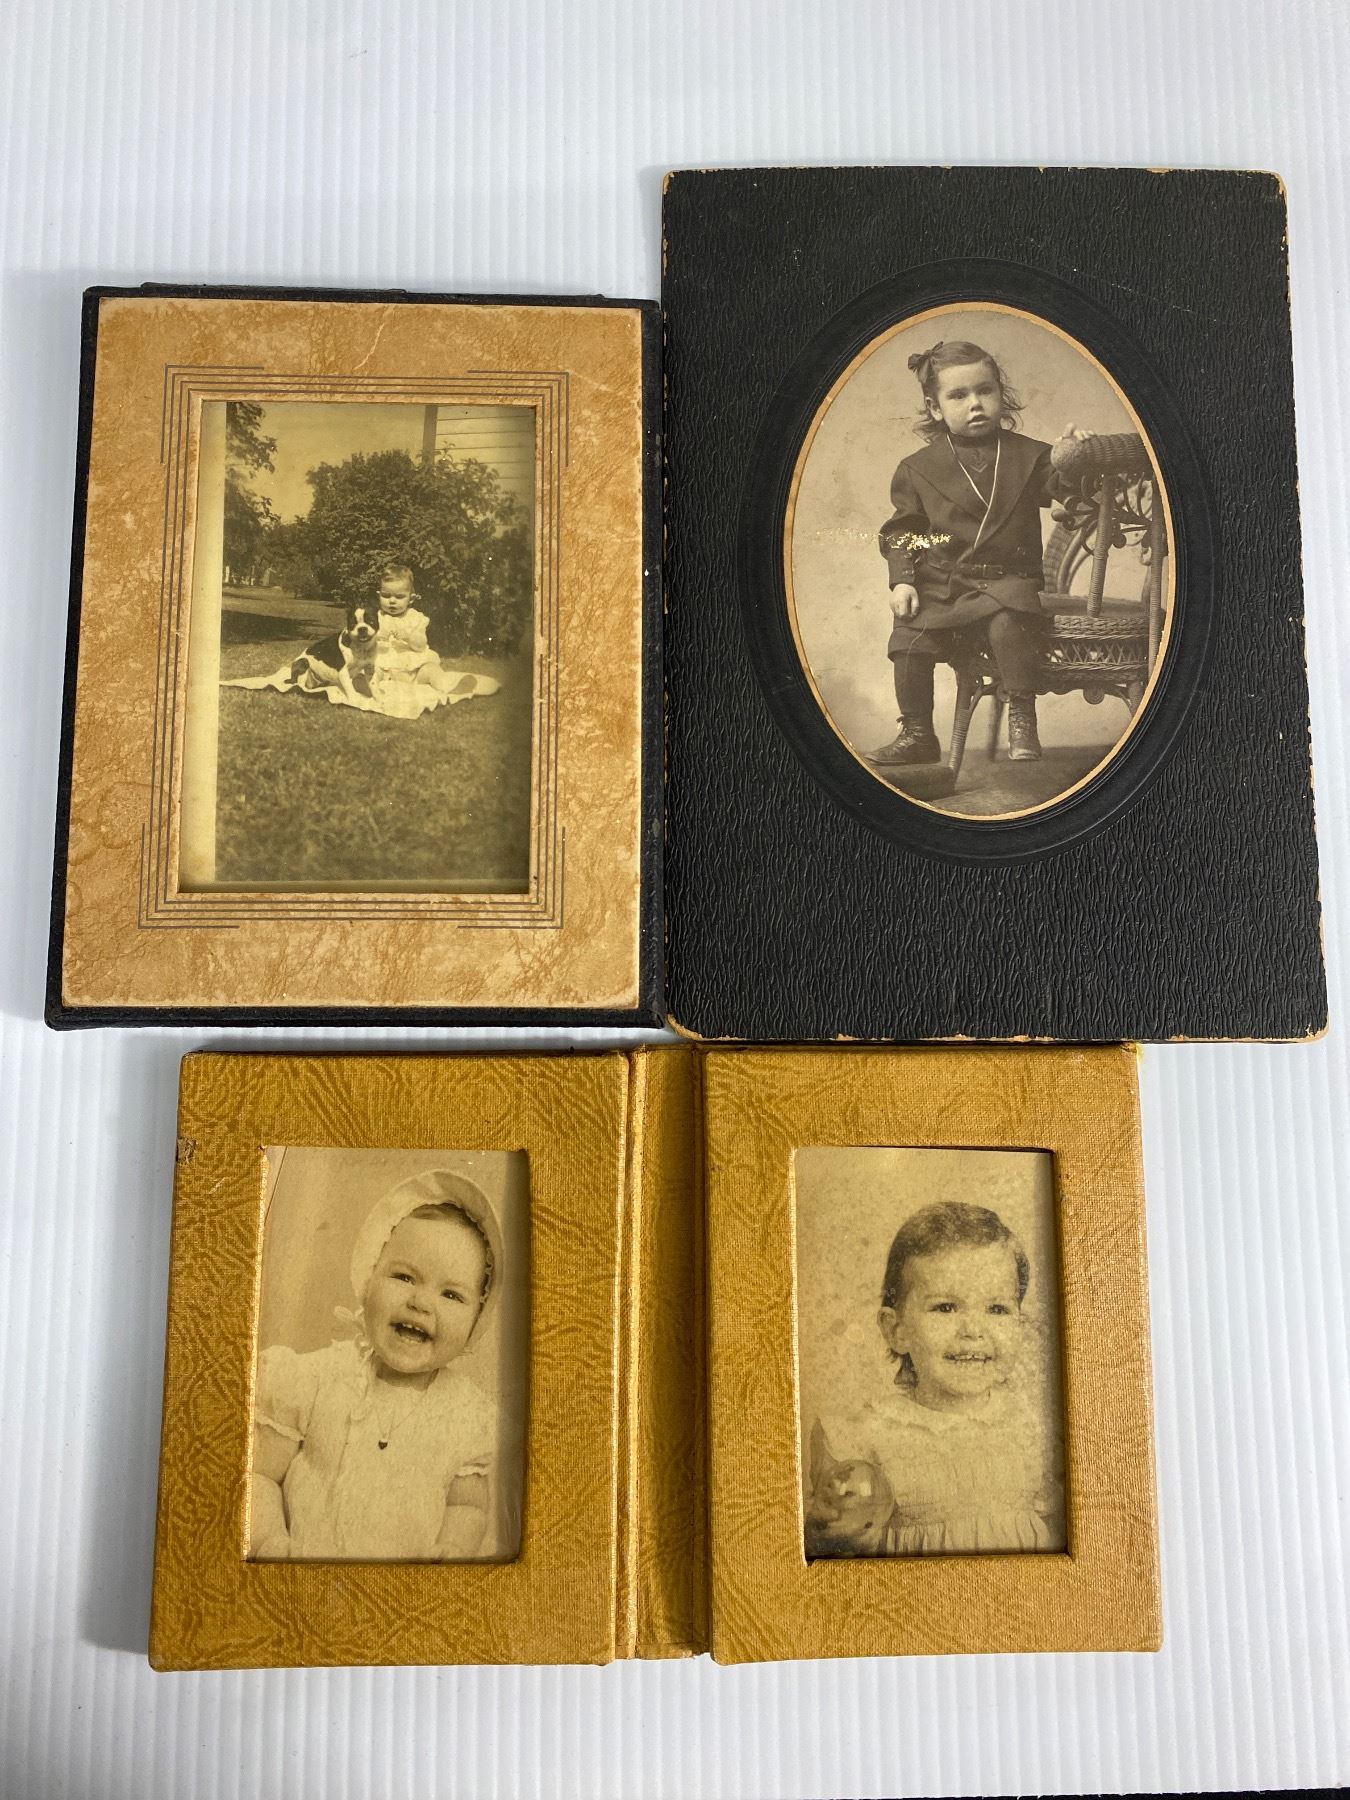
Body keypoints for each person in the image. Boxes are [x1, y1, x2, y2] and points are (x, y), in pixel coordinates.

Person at [250, 1170, 510, 1562]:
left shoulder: (466, 1416)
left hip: (402, 1590)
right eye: (405, 1277)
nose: (420, 1302)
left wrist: (454, 1549)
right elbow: (262, 1474)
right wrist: (270, 1540)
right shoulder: (317, 1378)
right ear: (369, 1278)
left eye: (451, 1295)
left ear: (478, 1319)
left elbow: (468, 1506)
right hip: (304, 1574)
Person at [804, 1200, 1063, 1558]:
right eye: (945, 1307)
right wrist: (838, 1535)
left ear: (1019, 1324)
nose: (973, 1330)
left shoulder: (1033, 1427)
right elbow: (824, 1546)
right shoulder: (864, 1435)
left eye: (997, 1309)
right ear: (897, 1330)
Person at [874, 339, 1089, 768]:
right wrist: (903, 580)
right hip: (946, 585)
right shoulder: (917, 468)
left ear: (1000, 394)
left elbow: (1068, 491)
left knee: (1010, 618)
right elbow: (904, 532)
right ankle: (918, 733)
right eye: (958, 395)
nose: (975, 403)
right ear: (935, 408)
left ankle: (1022, 714)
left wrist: (1076, 458)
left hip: (1008, 580)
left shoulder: (1031, 456)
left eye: (985, 390)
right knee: (908, 638)